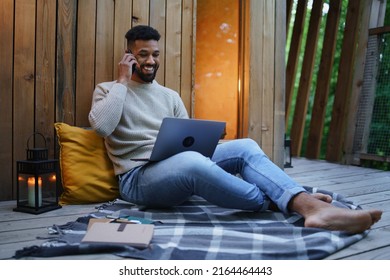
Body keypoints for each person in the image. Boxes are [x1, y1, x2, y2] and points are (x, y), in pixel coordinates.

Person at [89, 25, 382, 234]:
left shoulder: (170, 96)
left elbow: (184, 143)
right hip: (137, 179)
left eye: (155, 54)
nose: (151, 61)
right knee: (191, 162)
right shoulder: (109, 90)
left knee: (245, 146)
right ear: (129, 56)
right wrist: (123, 82)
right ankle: (298, 203)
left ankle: (301, 203)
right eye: (142, 55)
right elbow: (102, 127)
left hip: (176, 166)